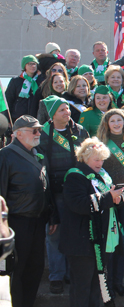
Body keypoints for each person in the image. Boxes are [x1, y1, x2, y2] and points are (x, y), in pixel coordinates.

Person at [60, 137, 124, 307]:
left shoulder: (102, 174)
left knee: (97, 286)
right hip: (81, 241)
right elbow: (79, 204)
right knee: (81, 287)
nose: (100, 163)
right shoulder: (74, 175)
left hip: (100, 239)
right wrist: (109, 197)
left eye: (102, 159)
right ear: (84, 157)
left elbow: (109, 198)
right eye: (96, 159)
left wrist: (117, 198)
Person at [0, 115, 54, 307]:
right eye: (34, 130)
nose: (39, 133)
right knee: (16, 270)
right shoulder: (4, 155)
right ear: (18, 134)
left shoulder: (38, 153)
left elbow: (48, 187)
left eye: (39, 129)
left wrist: (52, 215)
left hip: (38, 221)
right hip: (17, 222)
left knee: (35, 268)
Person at [38, 96, 89, 294]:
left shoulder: (79, 131)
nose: (67, 113)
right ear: (52, 114)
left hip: (76, 190)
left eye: (67, 109)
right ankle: (56, 276)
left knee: (75, 233)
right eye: (61, 110)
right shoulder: (42, 133)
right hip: (54, 191)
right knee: (54, 234)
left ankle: (72, 272)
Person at [96, 109, 124, 298]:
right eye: (112, 120)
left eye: (119, 120)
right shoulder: (99, 144)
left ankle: (118, 282)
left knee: (120, 241)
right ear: (106, 123)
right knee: (107, 240)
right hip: (106, 197)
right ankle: (104, 282)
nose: (116, 124)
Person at [4, 55, 41, 122]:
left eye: (34, 64)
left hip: (35, 118)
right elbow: (8, 100)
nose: (33, 66)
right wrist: (7, 119)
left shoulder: (40, 81)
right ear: (25, 66)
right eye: (30, 64)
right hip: (18, 118)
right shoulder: (16, 81)